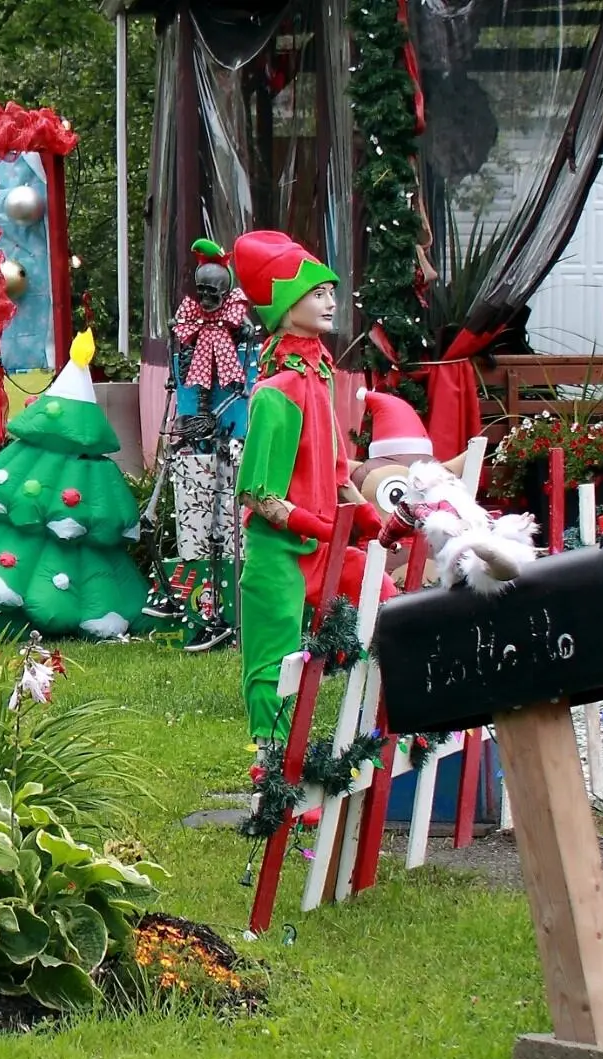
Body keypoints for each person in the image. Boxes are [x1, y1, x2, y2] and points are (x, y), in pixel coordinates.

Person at [231, 230, 390, 740]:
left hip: (326, 547)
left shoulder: (320, 379)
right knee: (274, 667)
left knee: (384, 603)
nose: (329, 301)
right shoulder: (275, 394)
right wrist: (318, 526)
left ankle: (390, 731)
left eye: (329, 291)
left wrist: (371, 518)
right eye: (315, 293)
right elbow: (259, 495)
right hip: (280, 552)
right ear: (284, 304)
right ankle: (273, 774)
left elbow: (340, 473)